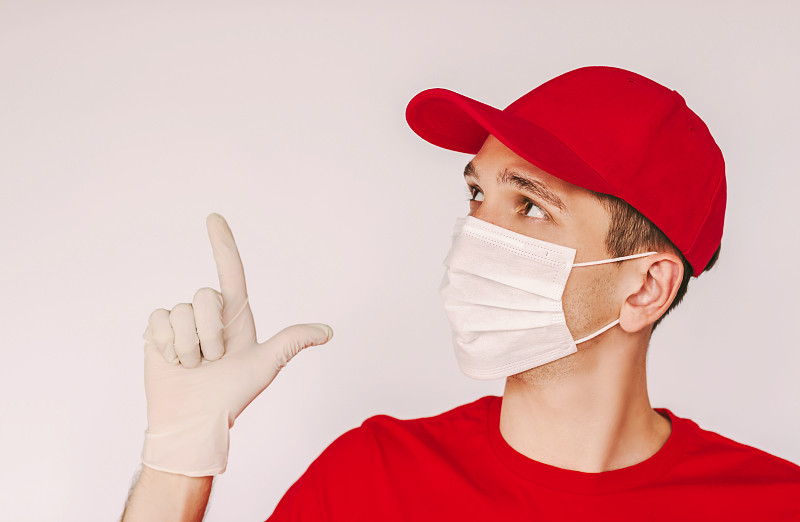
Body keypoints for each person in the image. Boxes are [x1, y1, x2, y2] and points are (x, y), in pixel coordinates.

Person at [120, 66, 800, 521]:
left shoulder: (774, 504)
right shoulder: (371, 482)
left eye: (529, 205)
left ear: (645, 286)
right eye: (477, 193)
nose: (475, 233)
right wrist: (176, 464)